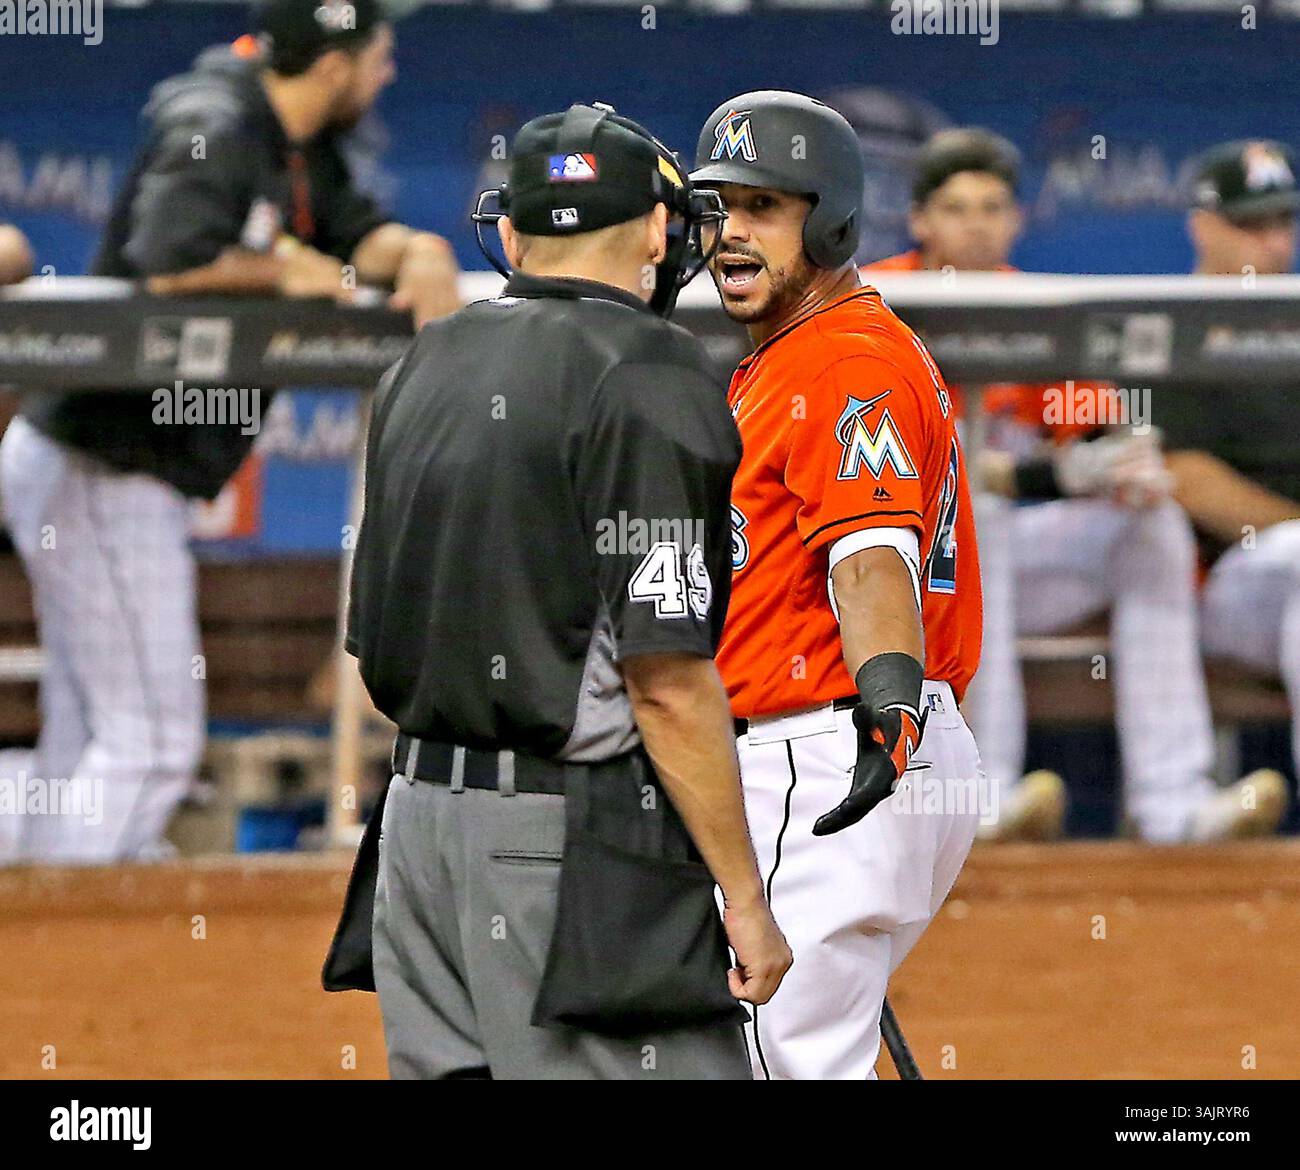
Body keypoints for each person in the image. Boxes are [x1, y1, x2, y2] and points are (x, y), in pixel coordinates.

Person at [331, 103, 790, 1080]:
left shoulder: (429, 356)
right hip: (560, 847)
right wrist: (744, 896)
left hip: (415, 835)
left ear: (508, 233)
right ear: (662, 231)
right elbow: (664, 679)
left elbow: (371, 634)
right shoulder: (649, 370)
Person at [0, 0, 460, 864]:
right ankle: (51, 956)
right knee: (151, 743)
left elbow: (360, 233)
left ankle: (31, 963)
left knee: (87, 731)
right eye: (378, 54)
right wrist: (292, 267)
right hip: (104, 462)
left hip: (100, 465)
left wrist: (419, 254)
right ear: (334, 62)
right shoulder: (214, 117)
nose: (386, 71)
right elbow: (171, 257)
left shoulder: (297, 140)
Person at [865, 128, 1286, 843]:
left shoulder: (1037, 312)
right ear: (921, 221)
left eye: (994, 207)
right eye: (958, 207)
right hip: (885, 576)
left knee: (1150, 525)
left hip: (1006, 578)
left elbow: (1092, 433)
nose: (977, 223)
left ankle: (1173, 804)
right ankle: (983, 787)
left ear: (1017, 219)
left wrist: (1111, 466)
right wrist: (1024, 476)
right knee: (979, 512)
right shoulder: (874, 304)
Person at [690, 90, 982, 1080]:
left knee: (788, 1061)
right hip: (861, 743)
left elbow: (869, 554)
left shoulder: (842, 360)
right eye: (718, 208)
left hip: (832, 744)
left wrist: (886, 702)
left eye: (762, 208)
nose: (729, 235)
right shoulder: (797, 354)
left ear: (831, 219)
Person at [1161, 140, 1300, 810]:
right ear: (1203, 226)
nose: (1274, 244)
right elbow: (1188, 479)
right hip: (1222, 587)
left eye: (1283, 224)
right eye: (1253, 226)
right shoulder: (1169, 330)